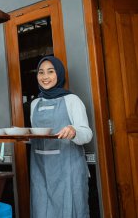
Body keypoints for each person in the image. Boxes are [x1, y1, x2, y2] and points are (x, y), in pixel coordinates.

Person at [30, 56, 93, 218]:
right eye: (41, 72)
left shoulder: (72, 100)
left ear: (59, 74)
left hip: (67, 169)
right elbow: (36, 134)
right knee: (42, 210)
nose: (45, 76)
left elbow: (87, 134)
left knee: (71, 210)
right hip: (41, 169)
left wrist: (74, 131)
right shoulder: (35, 104)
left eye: (50, 72)